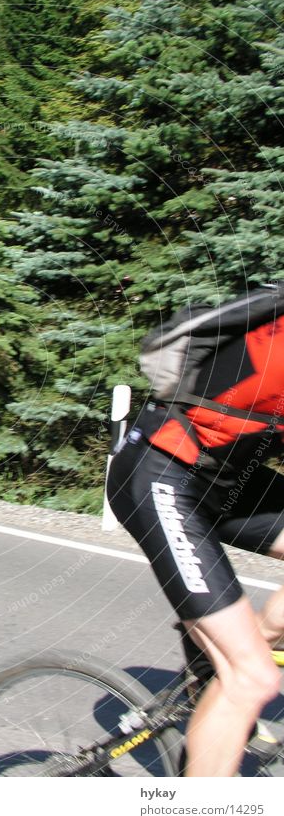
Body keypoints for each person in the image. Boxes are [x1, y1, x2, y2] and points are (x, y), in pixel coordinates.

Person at [107, 308, 284, 777]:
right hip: (161, 476)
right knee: (253, 678)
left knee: (244, 662)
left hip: (223, 478)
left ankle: (226, 651)